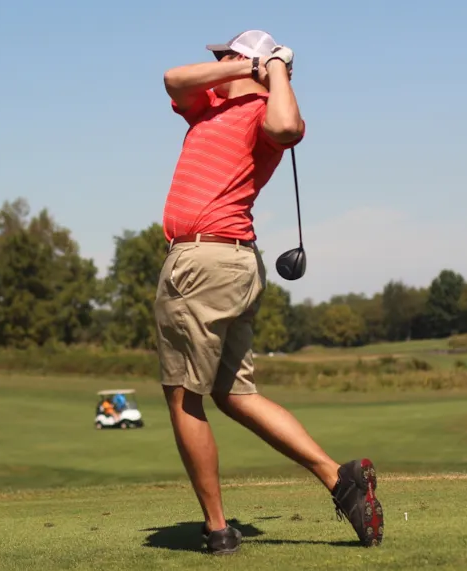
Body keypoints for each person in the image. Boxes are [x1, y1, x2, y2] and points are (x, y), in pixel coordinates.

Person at [153, 30, 383, 554]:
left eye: (228, 57)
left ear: (251, 66)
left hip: (203, 260)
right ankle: (339, 479)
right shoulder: (208, 107)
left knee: (183, 394)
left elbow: (287, 125)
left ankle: (216, 529)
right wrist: (247, 68)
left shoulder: (262, 111)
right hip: (228, 264)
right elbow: (174, 79)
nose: (218, 66)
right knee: (235, 394)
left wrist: (272, 71)